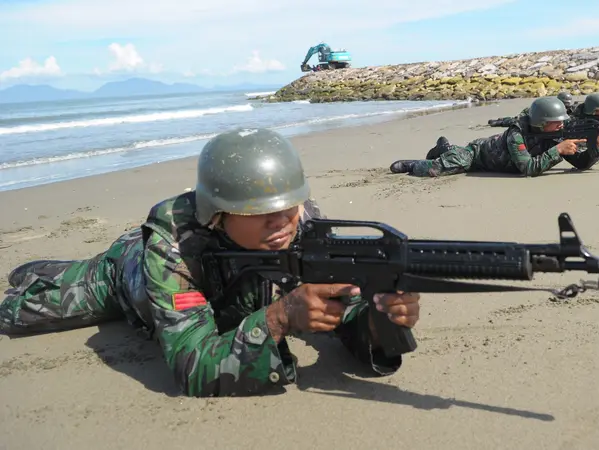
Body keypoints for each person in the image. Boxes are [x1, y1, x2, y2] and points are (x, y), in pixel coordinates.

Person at [0, 128, 422, 397]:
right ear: (219, 213)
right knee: (24, 309)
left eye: (288, 206)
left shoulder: (302, 221)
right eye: (260, 211)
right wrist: (280, 318)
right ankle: (35, 272)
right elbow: (192, 366)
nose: (282, 223)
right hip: (126, 274)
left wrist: (381, 321)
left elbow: (347, 312)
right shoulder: (173, 246)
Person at [389, 96, 599, 178]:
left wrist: (596, 144)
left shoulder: (556, 135)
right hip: (476, 155)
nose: (563, 124)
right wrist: (558, 151)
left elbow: (582, 164)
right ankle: (415, 163)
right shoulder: (517, 134)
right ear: (542, 122)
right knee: (436, 170)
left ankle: (447, 148)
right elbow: (527, 169)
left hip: (494, 165)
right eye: (557, 121)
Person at [487, 91, 575, 128]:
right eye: (564, 103)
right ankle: (500, 121)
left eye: (567, 104)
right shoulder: (551, 106)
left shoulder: (569, 110)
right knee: (517, 121)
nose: (565, 106)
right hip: (531, 113)